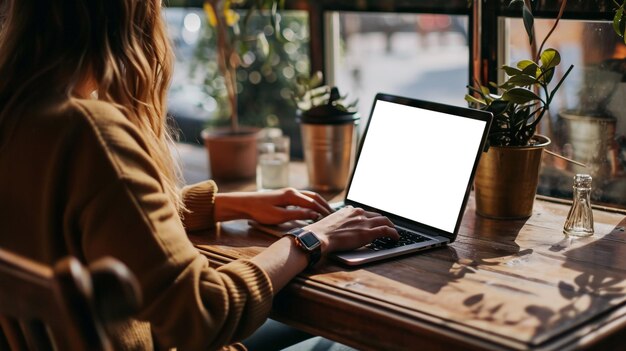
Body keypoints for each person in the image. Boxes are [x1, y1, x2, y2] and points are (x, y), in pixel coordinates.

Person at [0, 1, 398, 350]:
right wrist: (312, 238)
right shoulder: (89, 133)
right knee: (350, 342)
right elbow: (203, 315)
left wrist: (226, 204)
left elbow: (102, 218)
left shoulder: (20, 115)